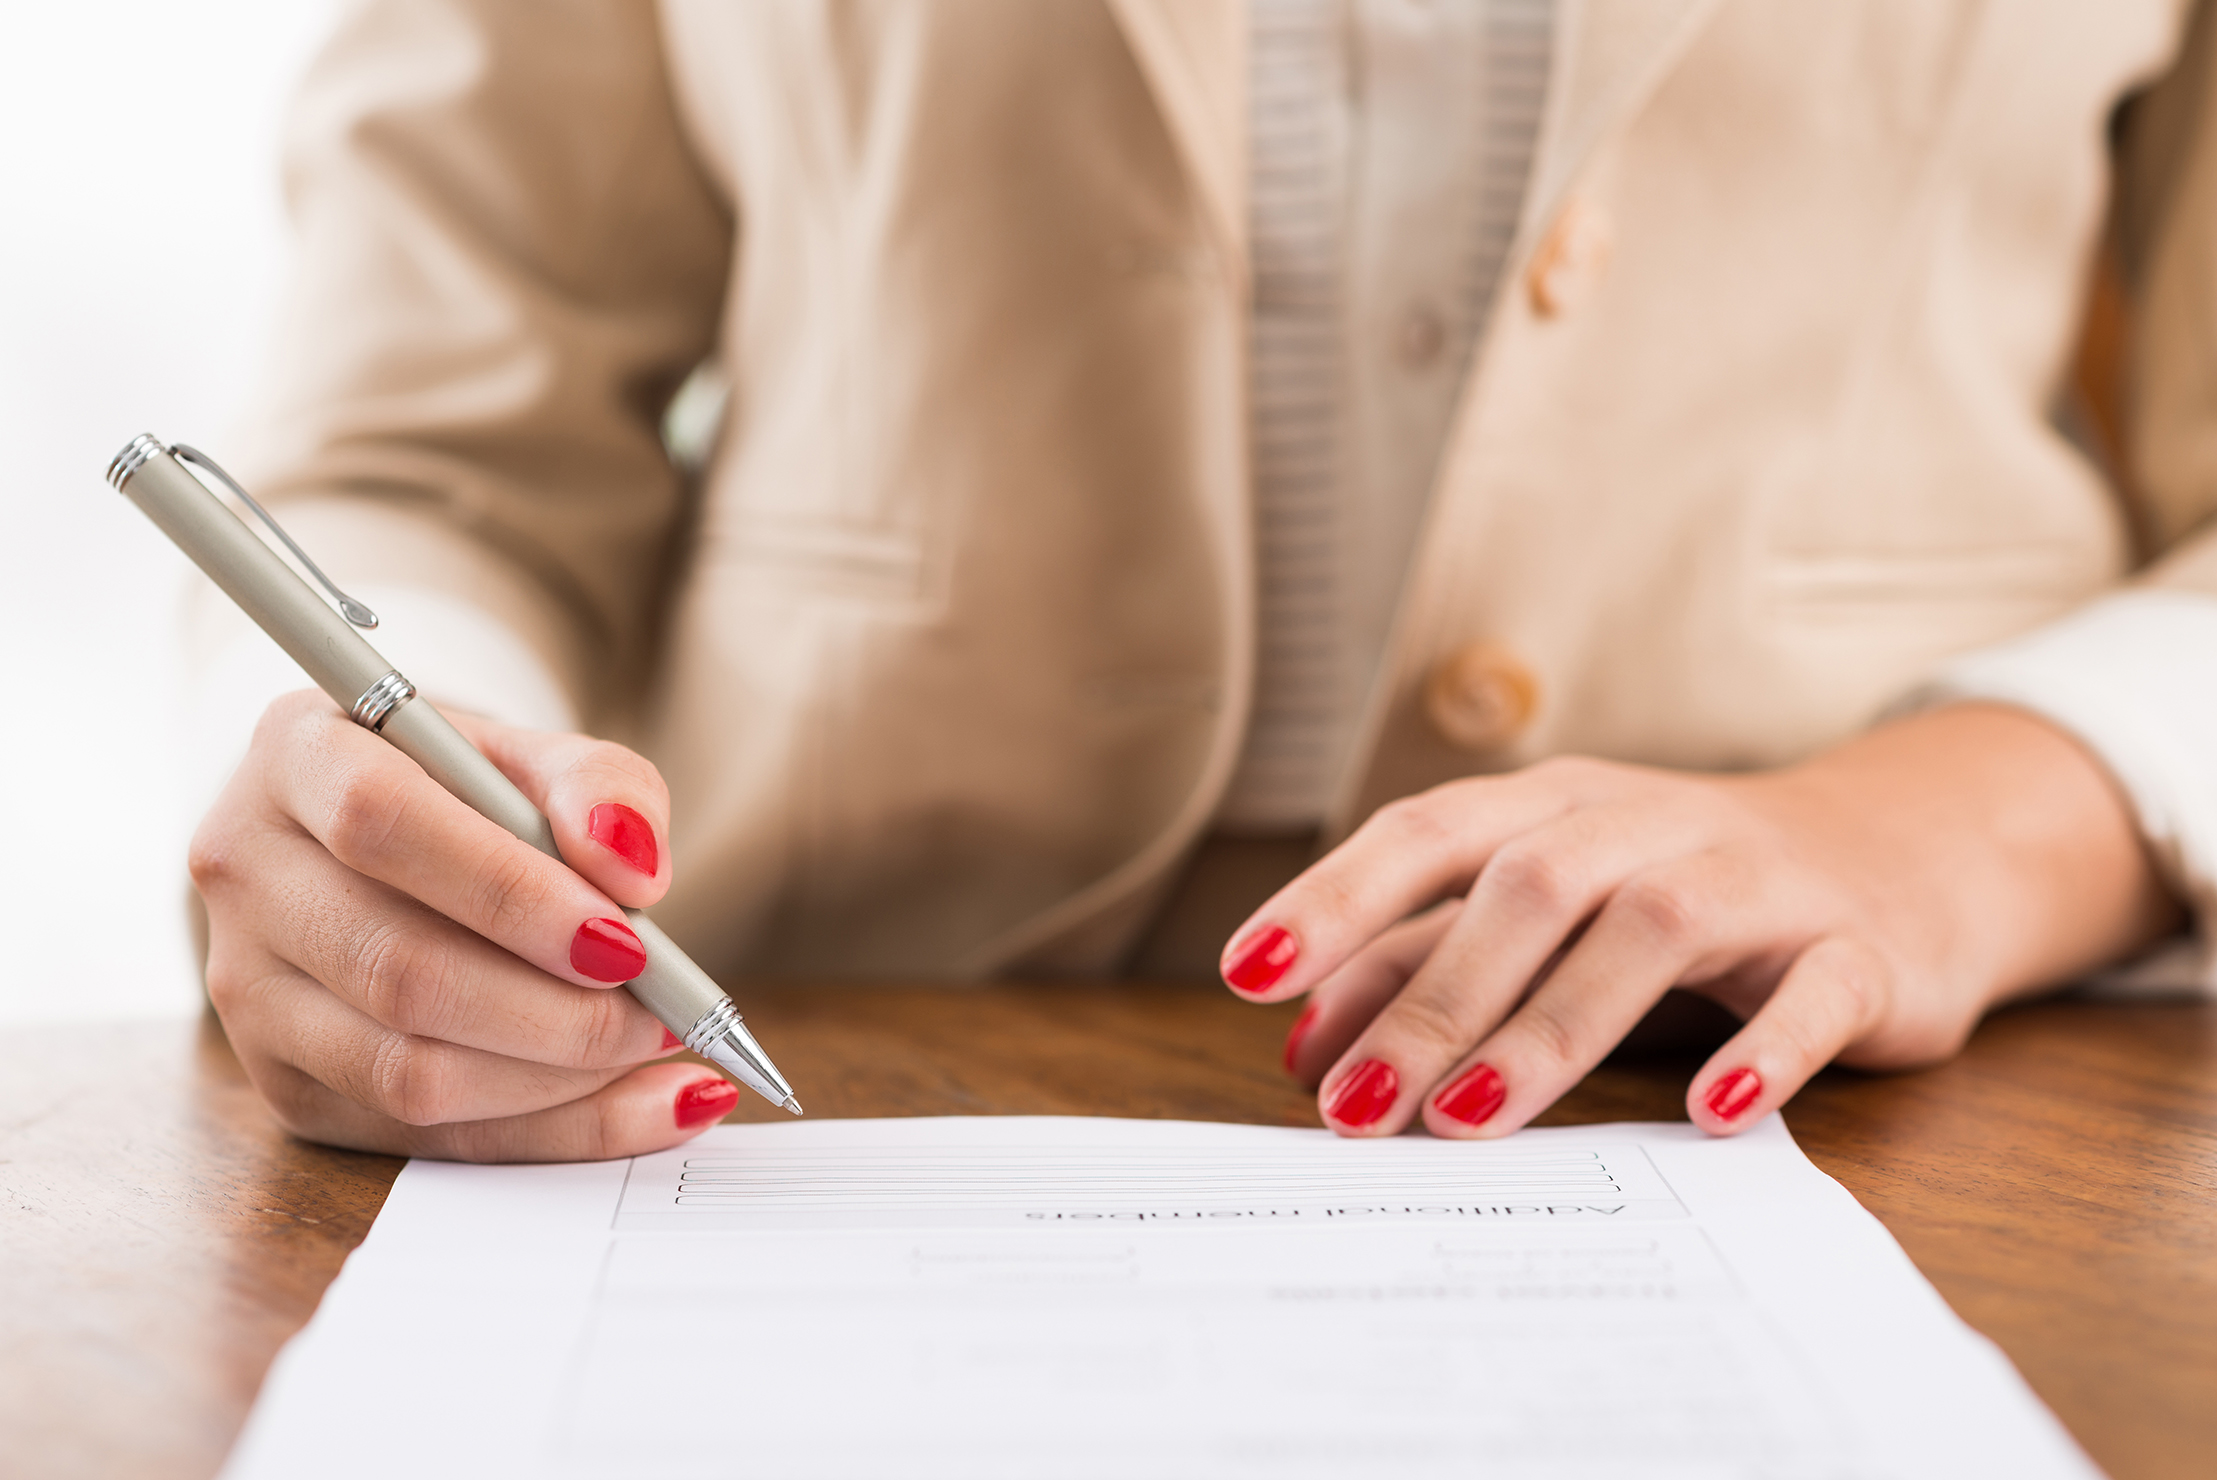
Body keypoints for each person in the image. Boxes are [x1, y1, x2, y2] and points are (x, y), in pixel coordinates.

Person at [184, 0, 2217, 1161]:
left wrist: (1929, 831)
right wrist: (397, 800)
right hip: (771, 1063)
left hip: (1860, 1095)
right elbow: (423, 460)